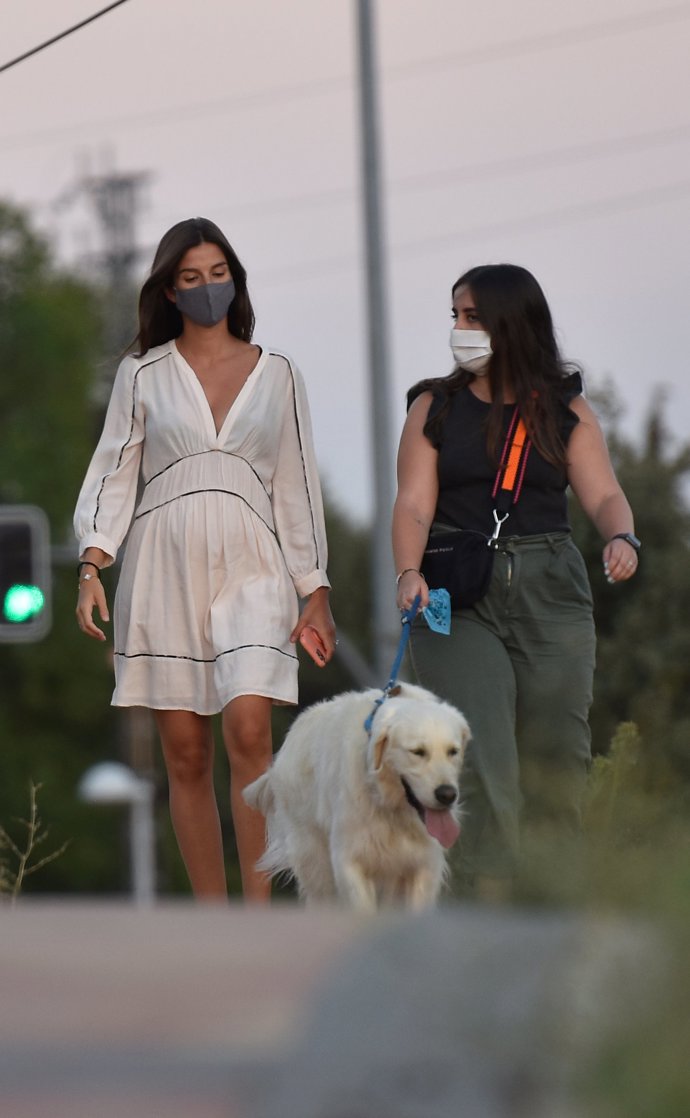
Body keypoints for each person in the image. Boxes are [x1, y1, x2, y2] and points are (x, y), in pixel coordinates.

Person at [74, 217, 336, 902]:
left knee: (250, 731)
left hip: (254, 564)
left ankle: (257, 915)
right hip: (162, 565)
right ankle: (212, 919)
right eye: (190, 278)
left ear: (235, 279)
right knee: (185, 754)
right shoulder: (142, 375)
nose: (206, 288)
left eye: (217, 274)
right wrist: (92, 565)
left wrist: (316, 588)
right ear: (168, 290)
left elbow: (296, 484)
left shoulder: (277, 373)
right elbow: (114, 474)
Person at [392, 263, 638, 900]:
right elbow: (414, 502)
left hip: (549, 584)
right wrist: (408, 571)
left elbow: (606, 493)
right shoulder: (433, 407)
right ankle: (486, 907)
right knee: (480, 751)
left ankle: (553, 904)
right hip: (456, 594)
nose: (459, 330)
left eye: (471, 317)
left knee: (558, 754)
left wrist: (621, 536)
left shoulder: (565, 409)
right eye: (455, 317)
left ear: (510, 323)